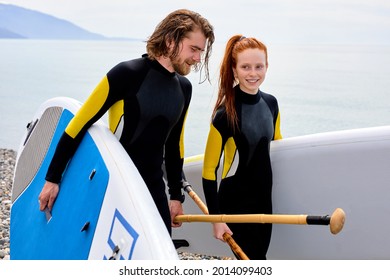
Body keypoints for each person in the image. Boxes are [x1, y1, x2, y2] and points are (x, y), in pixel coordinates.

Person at [38, 9, 215, 236]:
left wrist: (174, 197)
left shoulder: (184, 88)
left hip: (154, 188)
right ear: (171, 41)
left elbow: (174, 146)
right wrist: (52, 179)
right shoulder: (127, 74)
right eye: (194, 49)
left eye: (201, 51)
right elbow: (78, 125)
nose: (198, 58)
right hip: (117, 184)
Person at [202, 35, 282, 259]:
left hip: (264, 199)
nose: (253, 73)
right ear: (234, 70)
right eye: (245, 67)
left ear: (267, 67)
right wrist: (217, 220)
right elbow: (209, 171)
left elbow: (277, 146)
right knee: (253, 261)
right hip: (235, 203)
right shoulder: (224, 114)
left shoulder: (271, 103)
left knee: (258, 258)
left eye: (259, 66)